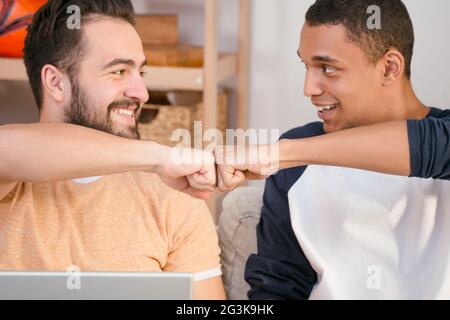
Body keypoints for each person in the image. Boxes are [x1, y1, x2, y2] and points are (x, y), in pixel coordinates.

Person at [217, 0, 450, 299]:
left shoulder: (292, 152)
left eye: (327, 67)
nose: (309, 88)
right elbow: (276, 289)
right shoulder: (296, 164)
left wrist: (279, 153)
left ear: (389, 67)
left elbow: (430, 146)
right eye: (307, 65)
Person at [0, 0, 225, 300]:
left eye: (140, 73)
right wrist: (162, 157)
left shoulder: (174, 199)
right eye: (119, 71)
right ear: (55, 83)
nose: (140, 93)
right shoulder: (9, 184)